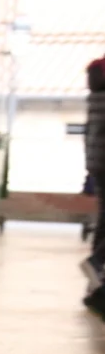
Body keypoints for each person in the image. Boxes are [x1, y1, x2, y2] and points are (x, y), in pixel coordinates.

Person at [79, 57, 105, 318]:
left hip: (98, 164)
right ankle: (96, 262)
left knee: (103, 222)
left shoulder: (96, 97)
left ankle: (95, 288)